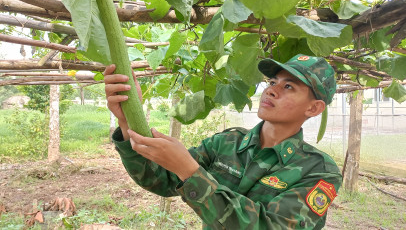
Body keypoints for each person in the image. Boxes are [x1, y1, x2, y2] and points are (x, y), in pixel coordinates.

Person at [104, 54, 342, 229]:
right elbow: (158, 178)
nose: (271, 90)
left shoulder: (320, 171)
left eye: (288, 86)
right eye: (272, 82)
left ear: (313, 108)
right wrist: (127, 121)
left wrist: (189, 171)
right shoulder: (228, 141)